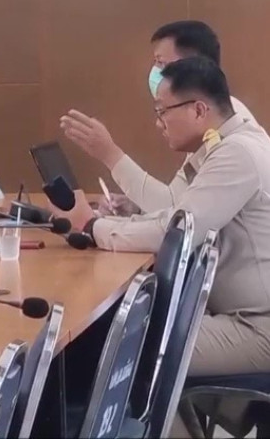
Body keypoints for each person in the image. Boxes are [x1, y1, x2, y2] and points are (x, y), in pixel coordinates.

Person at [53, 57, 270, 378]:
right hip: (238, 316)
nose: (158, 123)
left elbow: (175, 232)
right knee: (109, 334)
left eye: (162, 111)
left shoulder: (236, 152)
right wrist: (114, 221)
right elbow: (177, 213)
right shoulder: (226, 145)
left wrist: (91, 225)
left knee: (116, 347)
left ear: (198, 110)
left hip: (257, 327)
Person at [61, 20, 259, 215]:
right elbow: (176, 203)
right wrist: (136, 209)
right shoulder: (212, 117)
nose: (155, 72)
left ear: (191, 66)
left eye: (161, 63)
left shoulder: (224, 130)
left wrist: (109, 154)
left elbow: (177, 216)